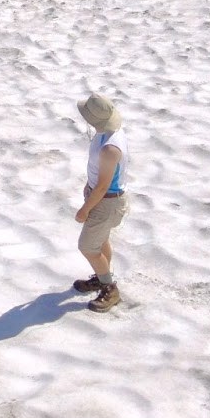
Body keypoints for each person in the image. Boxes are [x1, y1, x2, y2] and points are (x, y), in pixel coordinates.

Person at [73, 93, 129, 313]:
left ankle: (109, 288)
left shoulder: (110, 149)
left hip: (106, 203)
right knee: (101, 239)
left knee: (87, 246)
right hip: (102, 198)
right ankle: (101, 275)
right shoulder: (106, 133)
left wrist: (85, 209)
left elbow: (104, 186)